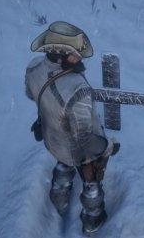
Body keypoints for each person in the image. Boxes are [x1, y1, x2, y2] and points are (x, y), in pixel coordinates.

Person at [24, 21, 119, 235]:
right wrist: (107, 147)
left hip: (52, 139)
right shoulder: (78, 88)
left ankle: (59, 197)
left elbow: (31, 94)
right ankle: (92, 219)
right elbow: (85, 141)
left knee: (63, 163)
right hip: (76, 149)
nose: (81, 57)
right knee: (91, 175)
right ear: (60, 55)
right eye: (75, 54)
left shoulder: (33, 67)